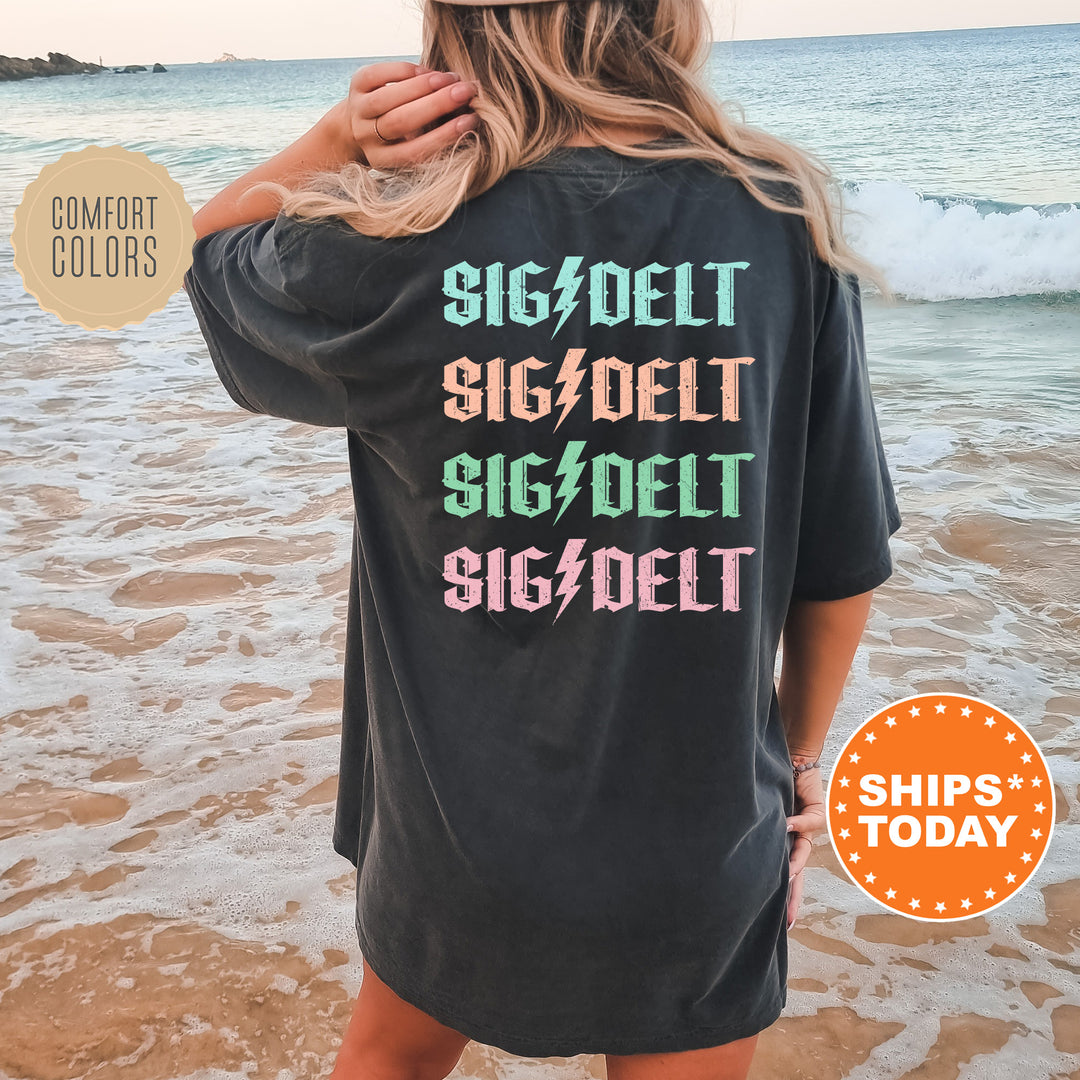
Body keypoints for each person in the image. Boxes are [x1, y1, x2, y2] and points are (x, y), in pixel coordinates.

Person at [182, 0, 903, 1077]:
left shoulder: (392, 237)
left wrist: (338, 142)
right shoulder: (779, 219)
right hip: (697, 832)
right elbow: (842, 560)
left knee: (387, 1057)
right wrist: (801, 764)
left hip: (453, 834)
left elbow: (202, 252)